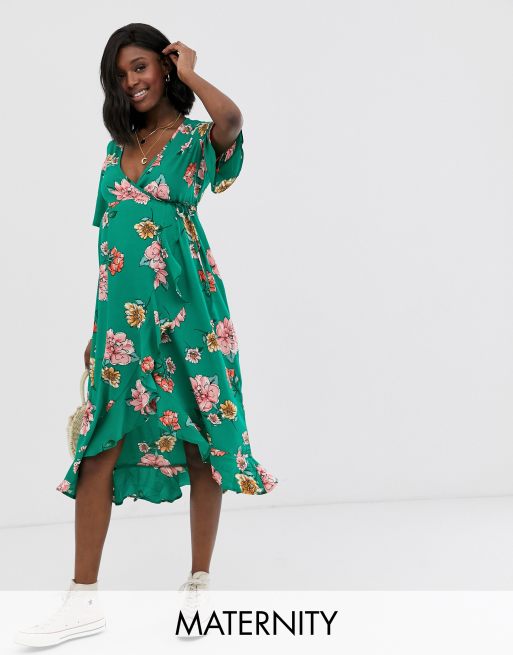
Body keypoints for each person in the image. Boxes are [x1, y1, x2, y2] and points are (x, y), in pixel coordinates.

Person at [14, 22, 278, 648]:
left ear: (163, 67)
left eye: (140, 67)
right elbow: (111, 250)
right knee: (100, 444)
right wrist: (97, 327)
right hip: (122, 325)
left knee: (201, 434)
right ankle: (81, 599)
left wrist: (191, 72)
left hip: (190, 313)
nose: (132, 81)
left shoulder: (193, 140)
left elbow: (232, 120)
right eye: (120, 74)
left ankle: (199, 585)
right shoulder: (116, 151)